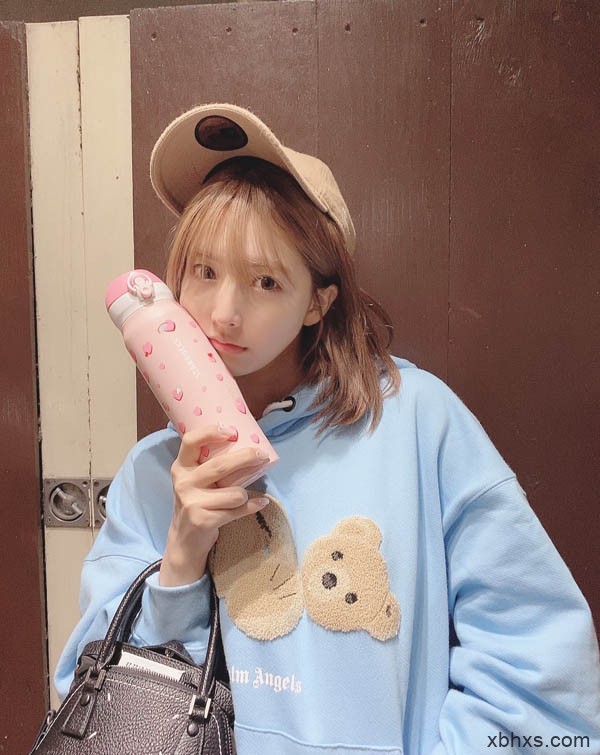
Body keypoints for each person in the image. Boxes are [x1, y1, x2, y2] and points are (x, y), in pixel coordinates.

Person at [56, 103, 600, 754]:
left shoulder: (417, 424)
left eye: (264, 280)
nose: (223, 312)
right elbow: (96, 701)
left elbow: (539, 660)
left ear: (318, 299)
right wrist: (182, 559)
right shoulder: (153, 472)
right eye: (204, 271)